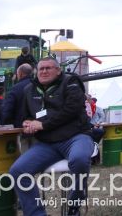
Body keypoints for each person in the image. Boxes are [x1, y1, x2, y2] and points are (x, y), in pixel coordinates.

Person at [8, 56, 93, 216]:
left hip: (76, 136)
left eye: (48, 68)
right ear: (36, 72)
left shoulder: (71, 83)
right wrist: (27, 122)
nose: (44, 71)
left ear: (58, 70)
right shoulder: (29, 90)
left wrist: (43, 125)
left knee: (79, 159)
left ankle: (75, 204)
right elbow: (24, 115)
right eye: (41, 69)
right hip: (47, 143)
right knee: (18, 171)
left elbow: (71, 110)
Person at [0, 63, 34, 128]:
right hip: (36, 127)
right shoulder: (37, 86)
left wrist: (3, 122)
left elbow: (7, 109)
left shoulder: (16, 88)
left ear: (20, 74)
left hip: (20, 127)